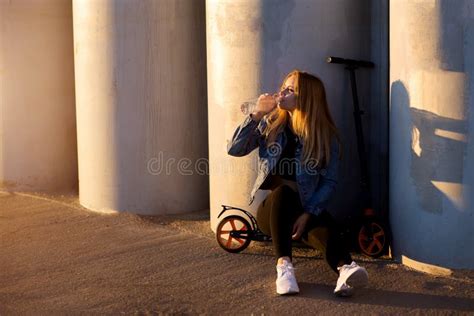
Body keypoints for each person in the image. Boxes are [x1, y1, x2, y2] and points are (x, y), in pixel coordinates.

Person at [227, 70, 368, 296]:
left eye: (289, 89)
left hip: (303, 208)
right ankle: (284, 267)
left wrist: (308, 213)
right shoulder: (271, 124)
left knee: (321, 223)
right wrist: (256, 114)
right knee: (284, 192)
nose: (281, 92)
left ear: (305, 98)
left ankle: (345, 270)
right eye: (283, 86)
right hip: (272, 212)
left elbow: (329, 182)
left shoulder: (325, 136)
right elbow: (235, 149)